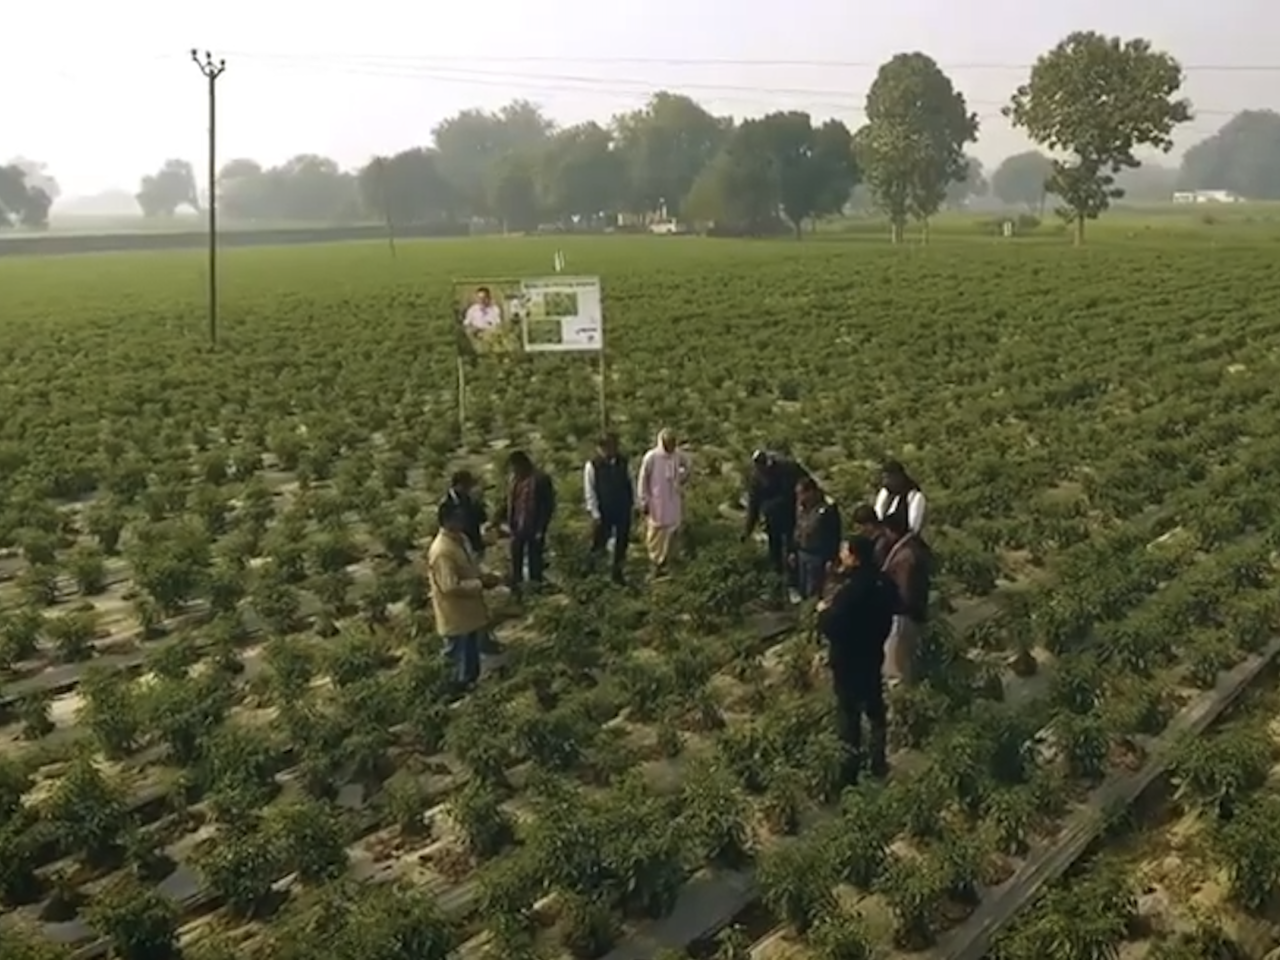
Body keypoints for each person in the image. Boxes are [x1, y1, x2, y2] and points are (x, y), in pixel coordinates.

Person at [817, 536, 896, 784]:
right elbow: (890, 615)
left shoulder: (850, 592)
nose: (841, 555)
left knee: (848, 715)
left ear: (854, 556)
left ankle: (849, 772)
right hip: (873, 654)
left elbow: (834, 626)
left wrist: (823, 614)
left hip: (849, 660)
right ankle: (878, 761)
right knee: (875, 709)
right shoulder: (883, 582)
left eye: (844, 551)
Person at [428, 499, 504, 691]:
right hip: (455, 615)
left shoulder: (460, 539)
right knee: (455, 659)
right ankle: (450, 693)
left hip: (469, 613)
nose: (463, 520)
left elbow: (469, 566)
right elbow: (450, 586)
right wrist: (481, 584)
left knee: (470, 657)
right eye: (458, 517)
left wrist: (485, 575)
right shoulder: (442, 550)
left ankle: (470, 686)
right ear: (447, 520)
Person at [880, 512, 933, 685]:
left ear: (892, 531)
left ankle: (901, 705)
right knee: (905, 663)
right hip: (909, 612)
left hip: (902, 614)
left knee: (896, 667)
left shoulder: (906, 556)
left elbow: (905, 589)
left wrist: (893, 604)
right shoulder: (912, 548)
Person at [743, 449, 809, 577]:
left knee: (794, 548)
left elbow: (807, 484)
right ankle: (778, 578)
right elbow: (753, 505)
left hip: (792, 514)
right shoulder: (756, 478)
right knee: (775, 550)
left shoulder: (787, 467)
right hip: (772, 519)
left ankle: (795, 579)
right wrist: (747, 530)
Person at [637, 428, 691, 577]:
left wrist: (681, 478)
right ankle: (656, 564)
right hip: (656, 501)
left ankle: (670, 562)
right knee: (655, 534)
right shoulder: (652, 457)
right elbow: (643, 480)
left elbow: (687, 466)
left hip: (673, 499)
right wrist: (643, 500)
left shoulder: (677, 455)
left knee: (673, 531)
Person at [503, 450, 556, 596]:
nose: (513, 469)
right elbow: (509, 502)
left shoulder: (540, 479)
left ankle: (535, 592)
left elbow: (548, 505)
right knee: (516, 562)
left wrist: (542, 527)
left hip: (534, 527)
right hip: (516, 527)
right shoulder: (514, 480)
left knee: (535, 561)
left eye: (515, 466)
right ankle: (517, 593)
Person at [584, 432, 634, 584]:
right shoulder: (593, 465)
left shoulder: (624, 462)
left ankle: (617, 573)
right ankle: (591, 573)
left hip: (623, 507)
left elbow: (631, 482)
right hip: (603, 509)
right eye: (605, 447)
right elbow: (590, 490)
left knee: (622, 542)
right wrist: (595, 512)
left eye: (612, 446)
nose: (609, 450)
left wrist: (636, 504)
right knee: (599, 541)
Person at [792, 476, 841, 599]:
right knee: (803, 589)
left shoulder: (827, 509)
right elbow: (797, 528)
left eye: (802, 493)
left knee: (814, 591)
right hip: (802, 552)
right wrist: (793, 550)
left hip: (818, 556)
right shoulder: (802, 507)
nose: (800, 497)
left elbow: (833, 535)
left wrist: (831, 558)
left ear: (811, 492)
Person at [441, 470, 488, 561]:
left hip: (474, 546)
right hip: (457, 548)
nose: (469, 487)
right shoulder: (447, 504)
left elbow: (482, 518)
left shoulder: (470, 499)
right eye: (466, 484)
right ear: (458, 485)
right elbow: (445, 528)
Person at [873, 460, 927, 536]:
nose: (885, 482)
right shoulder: (885, 493)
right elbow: (878, 515)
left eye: (888, 478)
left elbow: (913, 528)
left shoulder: (915, 497)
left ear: (899, 477)